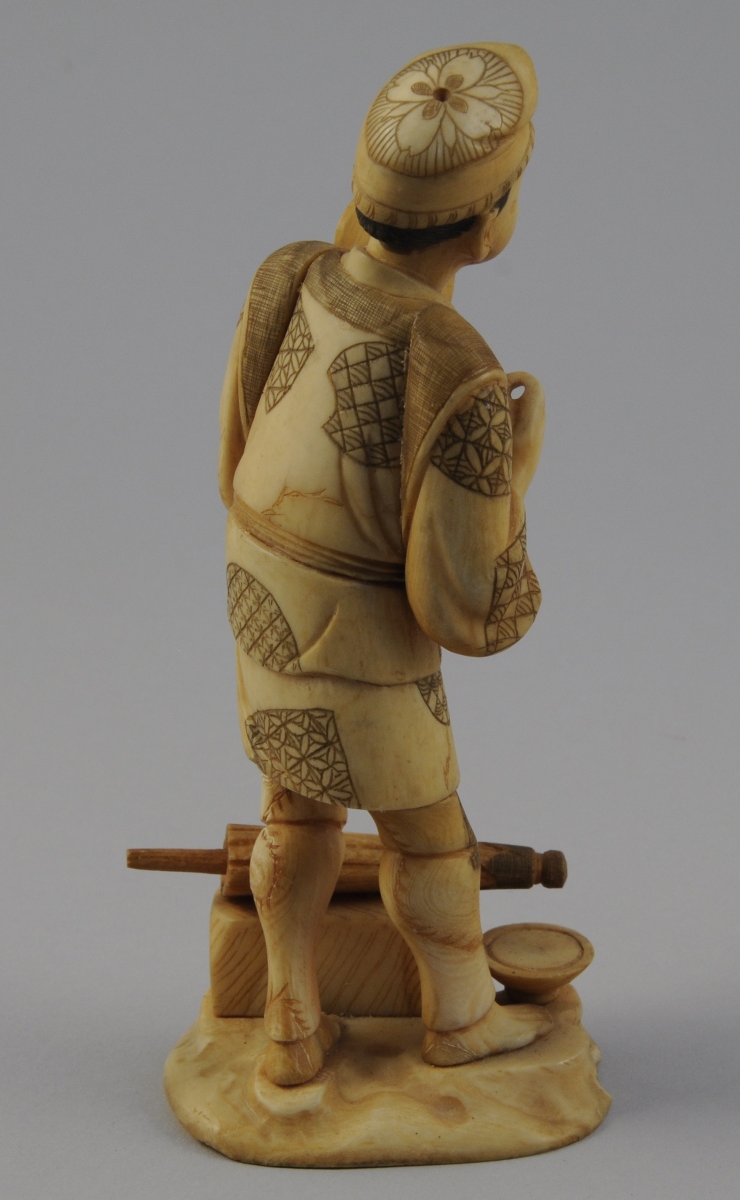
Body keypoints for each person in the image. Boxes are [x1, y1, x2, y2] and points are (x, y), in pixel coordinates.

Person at [218, 42, 550, 1086]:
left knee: (293, 811)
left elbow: (233, 462)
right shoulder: (454, 365)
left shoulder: (286, 277)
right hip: (360, 648)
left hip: (261, 605)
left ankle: (287, 1024)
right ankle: (461, 1021)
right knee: (429, 836)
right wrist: (513, 472)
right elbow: (465, 609)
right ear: (488, 219)